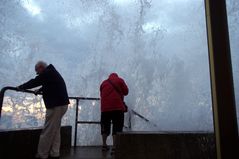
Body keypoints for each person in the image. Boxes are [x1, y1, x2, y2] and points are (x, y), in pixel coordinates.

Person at [17, 61, 69, 159]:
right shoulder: (52, 72)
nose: (38, 74)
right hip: (62, 105)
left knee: (48, 131)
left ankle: (42, 154)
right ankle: (55, 153)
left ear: (41, 67)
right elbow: (49, 84)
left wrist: (21, 87)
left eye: (37, 72)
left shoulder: (47, 72)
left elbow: (35, 81)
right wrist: (40, 90)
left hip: (56, 106)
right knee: (55, 130)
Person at [100, 73, 129, 154]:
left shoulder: (104, 83)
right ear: (117, 76)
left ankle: (104, 145)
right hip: (118, 108)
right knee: (117, 127)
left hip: (105, 109)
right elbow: (126, 92)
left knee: (105, 126)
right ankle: (114, 147)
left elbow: (101, 94)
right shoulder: (120, 80)